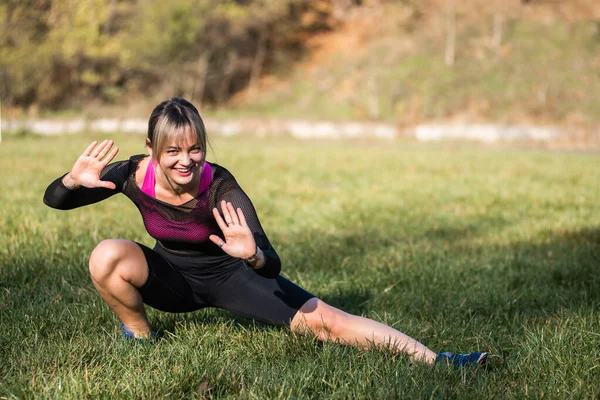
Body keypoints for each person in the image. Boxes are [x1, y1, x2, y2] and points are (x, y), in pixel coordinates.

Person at [43, 97, 487, 368]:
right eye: (173, 151)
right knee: (107, 255)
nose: (185, 160)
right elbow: (55, 201)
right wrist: (71, 182)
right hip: (171, 279)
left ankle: (441, 361)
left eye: (195, 148)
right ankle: (139, 335)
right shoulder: (130, 174)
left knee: (326, 322)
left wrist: (252, 255)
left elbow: (271, 262)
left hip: (232, 276)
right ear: (151, 150)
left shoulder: (220, 186)